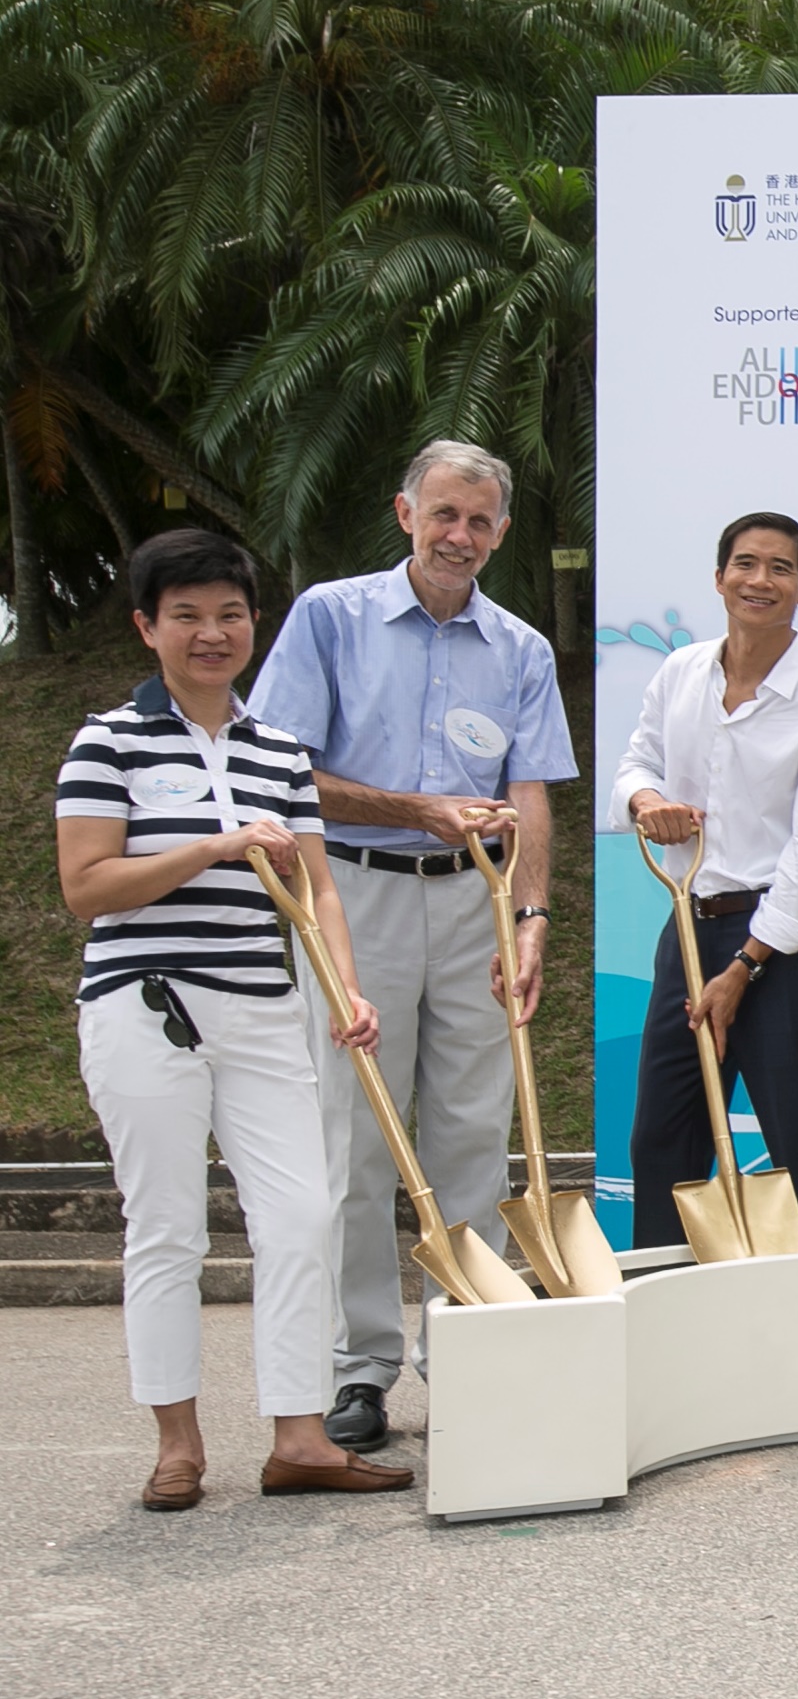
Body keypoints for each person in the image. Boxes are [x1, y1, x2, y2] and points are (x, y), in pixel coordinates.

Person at [60, 528, 410, 1504]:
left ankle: (299, 1435)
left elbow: (319, 889)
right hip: (146, 1005)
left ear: (254, 625)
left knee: (303, 1214)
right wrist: (211, 850)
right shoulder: (109, 740)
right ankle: (178, 1443)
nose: (211, 634)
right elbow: (87, 886)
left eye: (229, 615)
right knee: (166, 1226)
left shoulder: (278, 753)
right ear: (147, 627)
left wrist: (345, 987)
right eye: (186, 617)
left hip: (264, 1009)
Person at [246, 439, 576, 1453]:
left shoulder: (522, 649)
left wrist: (530, 920)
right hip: (355, 895)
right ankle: (362, 1370)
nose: (459, 537)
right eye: (444, 515)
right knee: (357, 1137)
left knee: (472, 1135)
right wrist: (412, 808)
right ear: (405, 513)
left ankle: (465, 1349)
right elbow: (283, 771)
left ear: (502, 533)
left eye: (479, 522)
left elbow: (530, 796)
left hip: (474, 903)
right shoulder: (331, 618)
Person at [613, 512, 798, 1246]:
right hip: (688, 926)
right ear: (719, 576)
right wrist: (647, 802)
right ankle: (665, 1306)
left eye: (779, 569)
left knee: (797, 1146)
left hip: (779, 949)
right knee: (662, 1140)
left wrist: (742, 968)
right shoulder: (679, 673)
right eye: (745, 564)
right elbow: (636, 764)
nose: (759, 580)